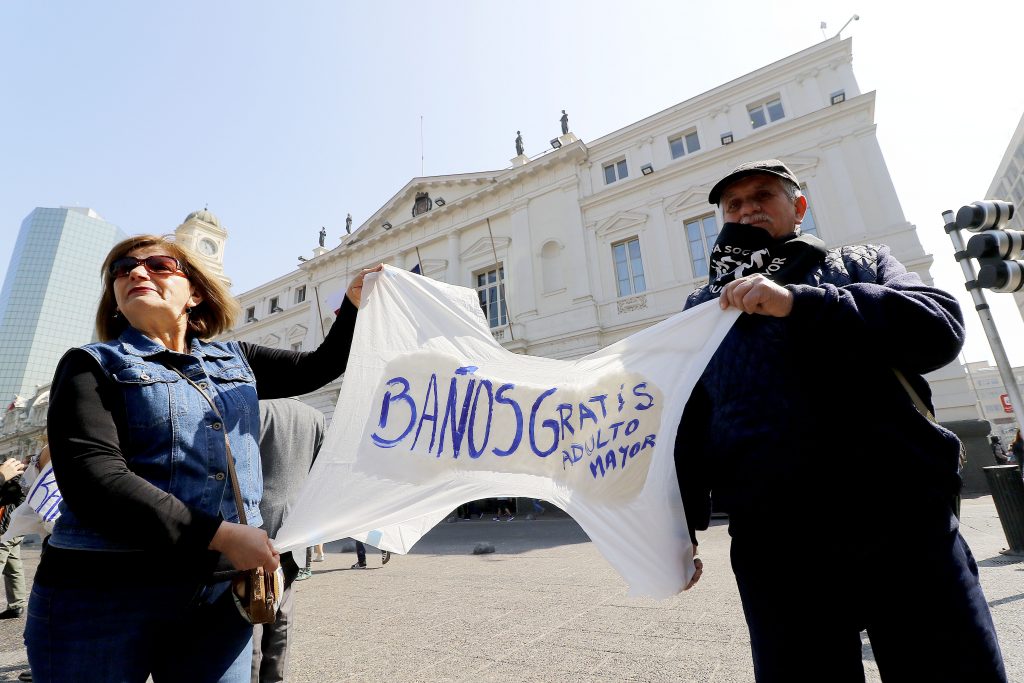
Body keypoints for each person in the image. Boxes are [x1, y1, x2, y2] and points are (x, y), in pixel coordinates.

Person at [675, 160, 1006, 681]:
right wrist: (680, 528)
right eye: (733, 205)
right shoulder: (702, 307)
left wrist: (798, 303)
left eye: (762, 195)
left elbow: (940, 328)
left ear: (798, 206)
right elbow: (689, 425)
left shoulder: (862, 262)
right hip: (777, 549)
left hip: (903, 524)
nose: (747, 209)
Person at [28, 234, 381, 683]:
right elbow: (92, 478)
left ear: (194, 293)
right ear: (115, 299)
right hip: (101, 593)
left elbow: (318, 367)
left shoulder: (236, 360)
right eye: (121, 270)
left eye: (157, 265)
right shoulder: (90, 364)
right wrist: (220, 534)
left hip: (216, 600)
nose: (135, 273)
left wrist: (353, 306)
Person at [251, 398, 325, 683]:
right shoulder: (315, 417)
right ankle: (276, 677)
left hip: (254, 523)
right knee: (282, 605)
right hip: (294, 526)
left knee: (252, 608)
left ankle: (252, 675)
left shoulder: (255, 409)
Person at [0, 456, 27, 619]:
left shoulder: (7, 476)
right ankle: (17, 604)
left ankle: (17, 605)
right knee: (13, 565)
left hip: (5, 527)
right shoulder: (19, 478)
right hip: (15, 526)